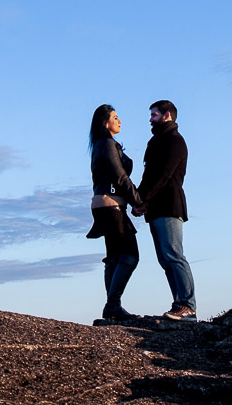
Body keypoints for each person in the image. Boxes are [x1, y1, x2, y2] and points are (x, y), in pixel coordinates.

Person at [132, 99, 196, 321]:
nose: (151, 119)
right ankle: (179, 304)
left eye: (154, 115)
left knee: (174, 255)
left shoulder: (175, 141)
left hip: (170, 205)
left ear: (167, 115)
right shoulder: (155, 142)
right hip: (155, 208)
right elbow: (148, 176)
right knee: (165, 259)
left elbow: (164, 176)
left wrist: (142, 199)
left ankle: (188, 306)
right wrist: (138, 200)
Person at [85, 104, 143, 321]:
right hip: (111, 207)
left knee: (114, 257)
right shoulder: (107, 144)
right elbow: (120, 178)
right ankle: (113, 304)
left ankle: (112, 307)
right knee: (129, 255)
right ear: (104, 122)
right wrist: (138, 201)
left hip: (104, 206)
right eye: (115, 117)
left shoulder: (100, 145)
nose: (119, 121)